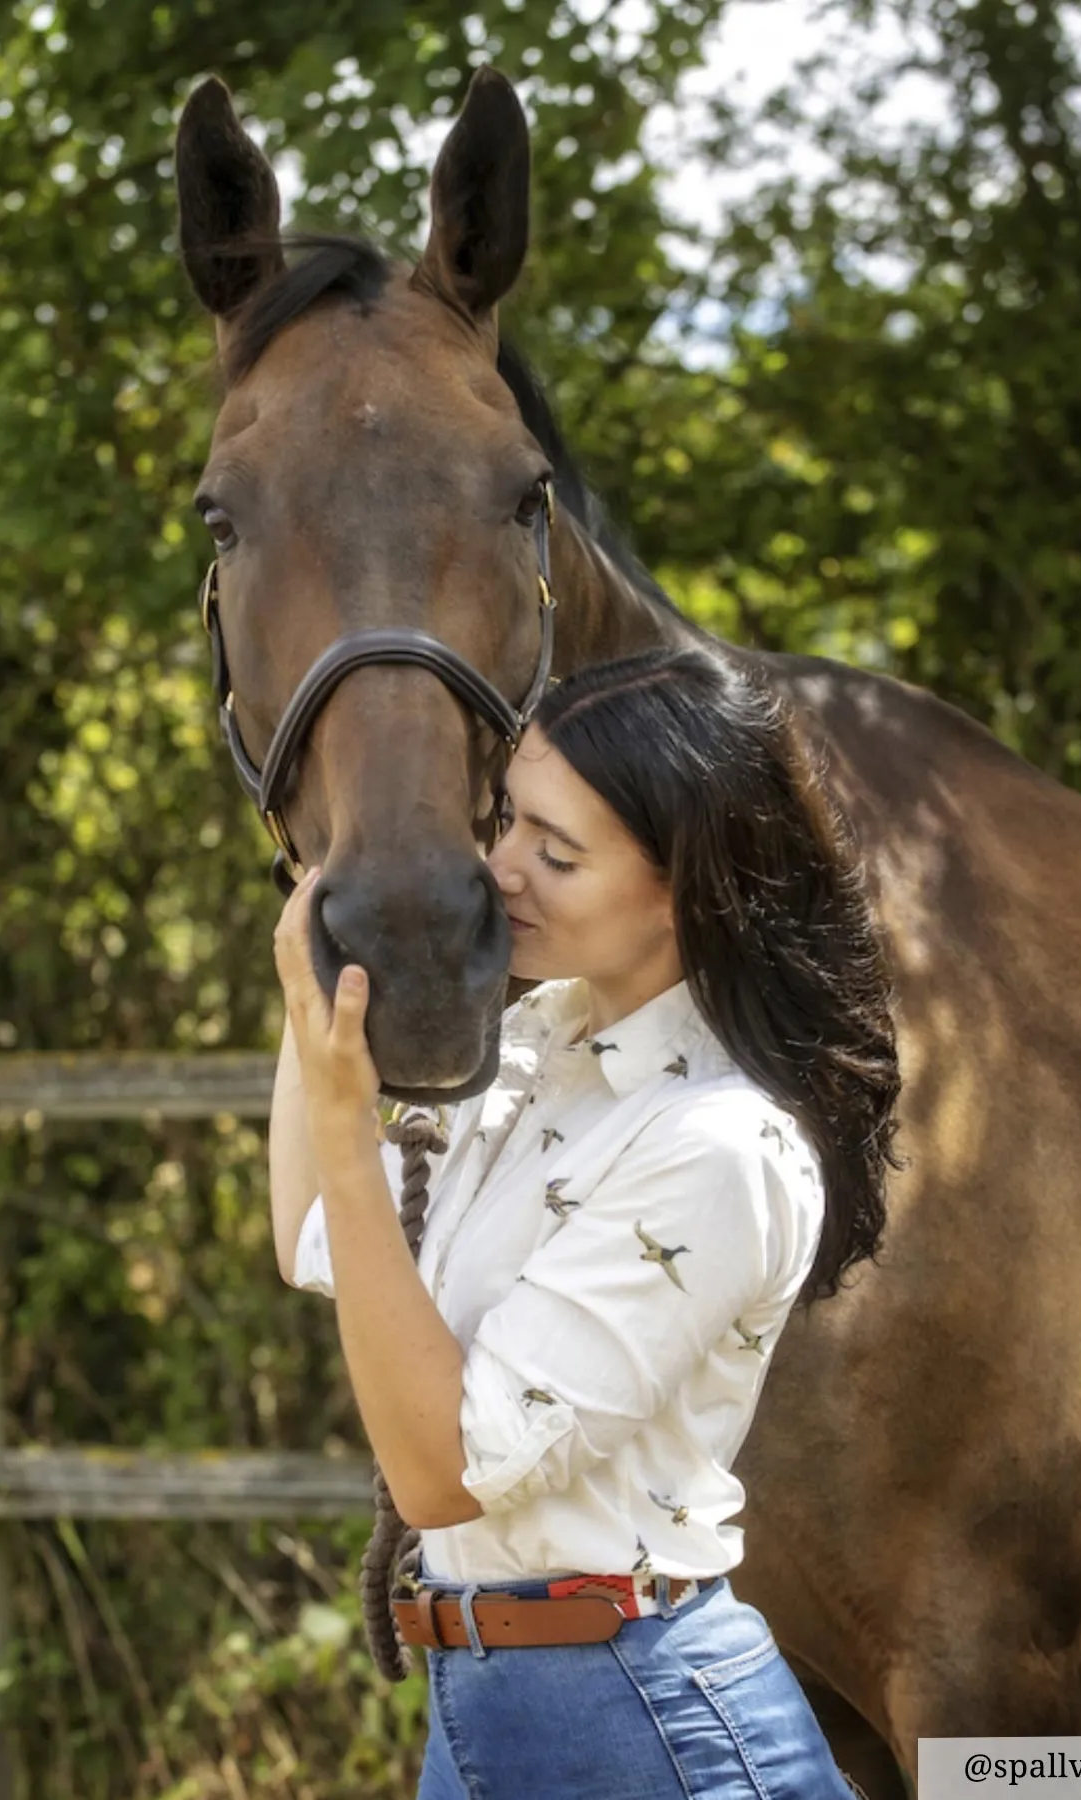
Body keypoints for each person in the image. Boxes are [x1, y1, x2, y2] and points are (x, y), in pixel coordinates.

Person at [269, 645, 900, 1800]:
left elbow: (443, 1478)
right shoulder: (530, 1053)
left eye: (555, 853)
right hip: (482, 1708)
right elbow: (316, 1236)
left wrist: (350, 1119)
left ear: (687, 889)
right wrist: (330, 928)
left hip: (637, 1721)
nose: (502, 870)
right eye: (506, 821)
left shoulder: (719, 1147)